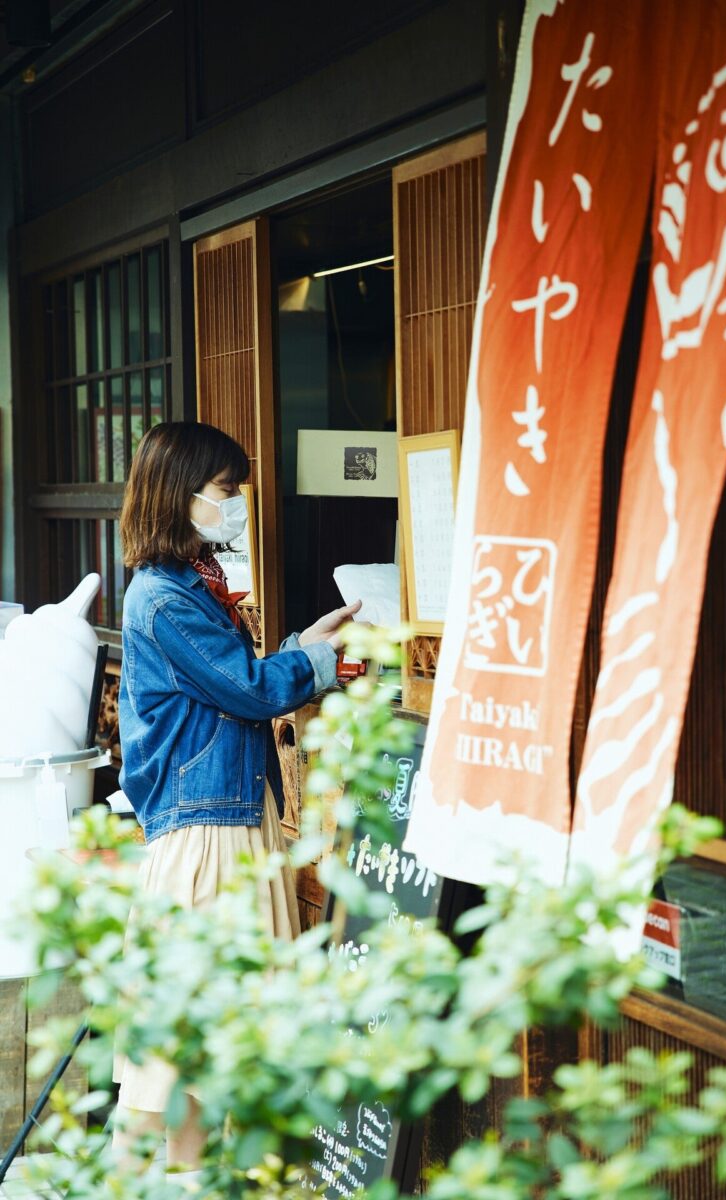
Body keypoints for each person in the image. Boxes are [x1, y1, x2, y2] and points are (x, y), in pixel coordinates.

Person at [111, 421, 360, 1181]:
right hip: (209, 838)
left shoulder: (184, 586)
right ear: (178, 494)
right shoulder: (166, 598)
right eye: (226, 490)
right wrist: (314, 660)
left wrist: (302, 645)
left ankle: (183, 1183)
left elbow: (226, 685)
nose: (237, 504)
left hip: (223, 823)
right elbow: (247, 690)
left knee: (195, 1062)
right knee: (179, 1060)